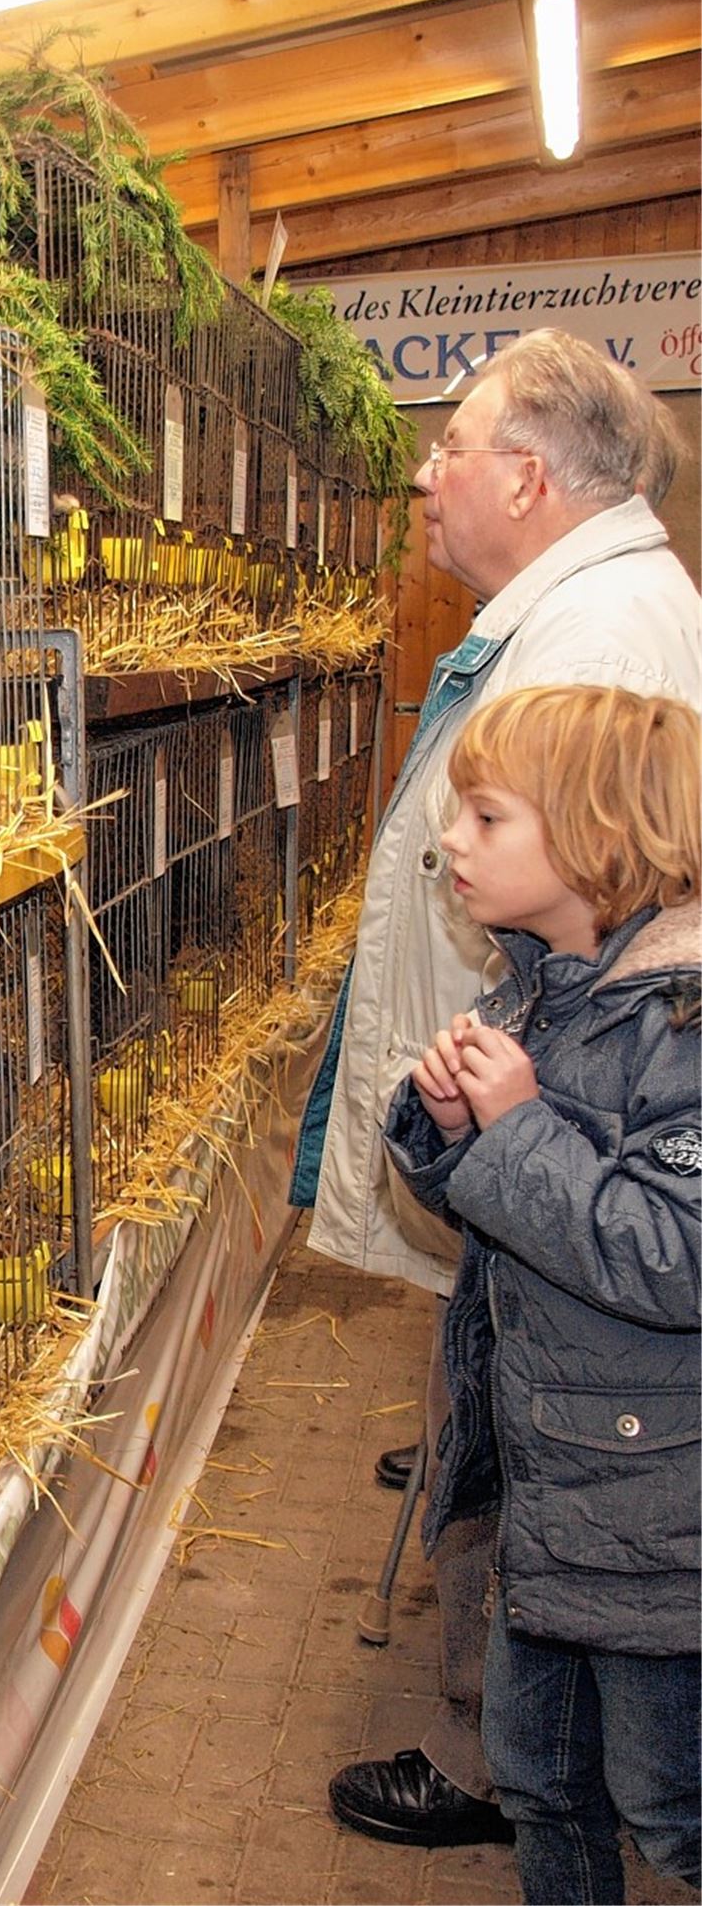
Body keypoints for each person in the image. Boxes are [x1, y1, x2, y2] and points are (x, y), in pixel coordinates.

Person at [290, 326, 702, 1847]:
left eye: (450, 445)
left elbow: (637, 1182)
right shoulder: (582, 616)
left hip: (600, 1340)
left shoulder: (600, 646)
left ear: (526, 474)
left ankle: (510, 1773)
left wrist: (505, 1125)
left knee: (555, 1523)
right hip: (528, 1179)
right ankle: (533, 1766)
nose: (423, 469)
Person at [383, 683, 701, 1905]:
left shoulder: (679, 1026)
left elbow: (672, 1257)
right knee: (539, 1781)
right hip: (548, 1486)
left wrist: (513, 1133)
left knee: (671, 1808)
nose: (450, 840)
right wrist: (455, 1132)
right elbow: (506, 1220)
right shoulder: (539, 989)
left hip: (655, 1521)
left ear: (596, 840)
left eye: (485, 816)